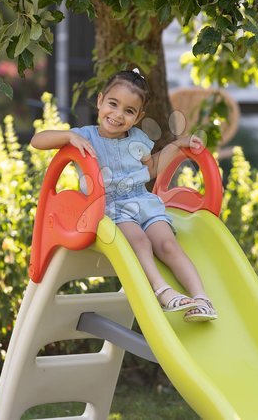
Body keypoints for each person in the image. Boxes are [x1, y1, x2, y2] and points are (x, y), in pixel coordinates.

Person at [30, 68, 217, 322]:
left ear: (139, 117)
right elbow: (37, 140)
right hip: (109, 207)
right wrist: (68, 135)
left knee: (167, 244)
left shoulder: (138, 138)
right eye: (113, 104)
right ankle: (163, 290)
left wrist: (176, 145)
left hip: (143, 201)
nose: (118, 115)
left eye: (128, 111)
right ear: (100, 101)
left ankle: (202, 299)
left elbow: (150, 169)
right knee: (139, 241)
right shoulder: (84, 136)